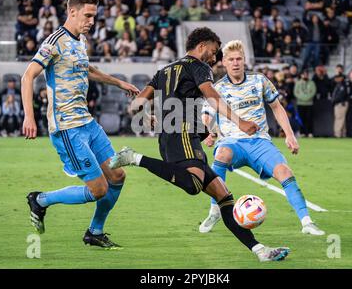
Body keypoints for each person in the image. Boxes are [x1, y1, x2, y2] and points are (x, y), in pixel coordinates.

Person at [109, 28, 290, 262]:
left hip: (174, 136)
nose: (214, 59)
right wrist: (240, 121)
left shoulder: (164, 70)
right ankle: (134, 158)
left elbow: (135, 106)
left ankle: (260, 251)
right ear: (201, 46)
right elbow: (212, 96)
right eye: (214, 52)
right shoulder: (199, 66)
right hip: (181, 133)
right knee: (193, 185)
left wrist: (146, 114)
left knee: (224, 196)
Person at [23, 0, 140, 249]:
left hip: (87, 123)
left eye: (94, 16)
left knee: (118, 176)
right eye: (87, 15)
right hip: (67, 128)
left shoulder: (80, 41)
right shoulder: (53, 42)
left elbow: (86, 68)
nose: (91, 21)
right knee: (98, 189)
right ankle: (40, 200)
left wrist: (118, 82)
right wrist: (29, 116)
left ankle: (95, 232)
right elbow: (28, 76)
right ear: (72, 12)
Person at [197, 40, 325, 236]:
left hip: (260, 142)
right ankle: (215, 210)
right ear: (224, 62)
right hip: (232, 142)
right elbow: (206, 115)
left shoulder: (260, 80)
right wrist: (209, 132)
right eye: (231, 59)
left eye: (239, 58)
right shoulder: (217, 87)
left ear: (244, 60)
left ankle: (306, 222)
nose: (236, 63)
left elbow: (277, 107)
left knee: (285, 172)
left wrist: (290, 135)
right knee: (221, 154)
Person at [294, 70, 316, 137]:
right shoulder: (298, 83)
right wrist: (303, 98)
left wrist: (306, 98)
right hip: (300, 103)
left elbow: (313, 92)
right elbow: (296, 92)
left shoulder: (312, 83)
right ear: (301, 75)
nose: (305, 76)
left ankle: (310, 132)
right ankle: (302, 132)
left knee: (309, 119)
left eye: (306, 74)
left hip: (309, 104)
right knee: (301, 119)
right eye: (304, 74)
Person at [332, 73, 348, 138]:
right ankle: (343, 134)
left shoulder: (342, 85)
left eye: (337, 77)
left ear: (341, 78)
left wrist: (334, 100)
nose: (336, 79)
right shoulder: (339, 84)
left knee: (339, 119)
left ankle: (337, 134)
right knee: (342, 119)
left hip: (341, 103)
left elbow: (340, 96)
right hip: (339, 103)